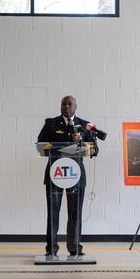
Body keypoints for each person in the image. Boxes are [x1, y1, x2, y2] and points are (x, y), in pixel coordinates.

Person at [37, 95, 95, 256]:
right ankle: (51, 249)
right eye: (64, 104)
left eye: (70, 104)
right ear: (61, 106)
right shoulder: (51, 123)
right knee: (53, 211)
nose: (67, 107)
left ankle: (75, 247)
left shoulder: (85, 125)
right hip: (56, 173)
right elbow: (41, 144)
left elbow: (94, 149)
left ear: (76, 106)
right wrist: (64, 144)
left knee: (75, 212)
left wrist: (81, 141)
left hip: (76, 175)